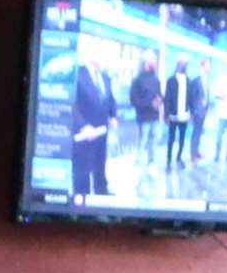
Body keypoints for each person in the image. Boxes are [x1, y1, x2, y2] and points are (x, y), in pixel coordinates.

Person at [67, 45, 118, 199]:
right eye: (101, 55)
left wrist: (113, 115)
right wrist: (82, 126)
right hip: (84, 133)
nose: (103, 59)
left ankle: (101, 190)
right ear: (90, 56)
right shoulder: (77, 74)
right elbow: (70, 103)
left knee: (100, 162)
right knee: (82, 167)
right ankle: (82, 198)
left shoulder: (105, 77)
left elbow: (110, 99)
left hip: (102, 130)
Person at [126, 55, 165, 196]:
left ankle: (151, 164)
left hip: (155, 117)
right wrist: (148, 103)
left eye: (155, 61)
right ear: (146, 63)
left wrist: (160, 100)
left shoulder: (156, 79)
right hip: (143, 117)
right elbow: (133, 99)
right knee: (142, 143)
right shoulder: (137, 80)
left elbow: (160, 95)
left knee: (152, 143)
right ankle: (138, 166)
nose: (154, 63)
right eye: (152, 61)